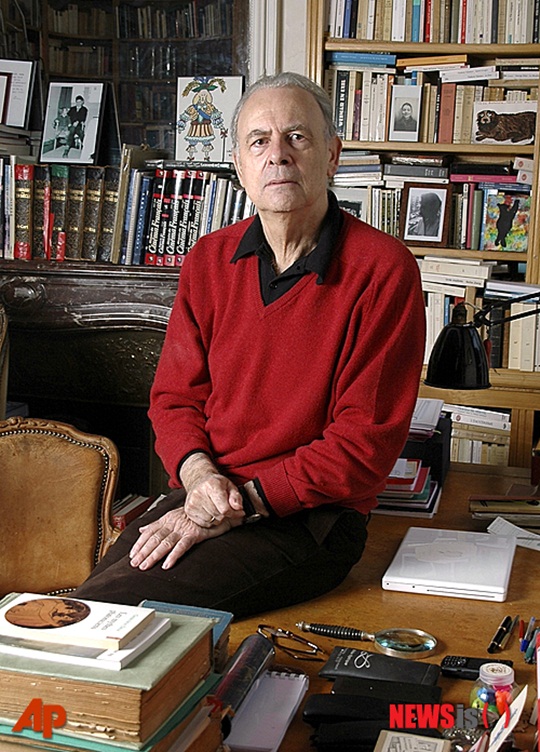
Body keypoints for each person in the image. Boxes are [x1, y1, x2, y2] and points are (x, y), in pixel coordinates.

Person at [74, 72, 426, 618]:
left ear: (332, 155)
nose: (277, 155)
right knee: (87, 602)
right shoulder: (209, 260)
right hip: (209, 490)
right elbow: (174, 400)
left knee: (106, 612)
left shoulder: (383, 270)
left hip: (311, 519)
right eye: (258, 141)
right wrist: (199, 478)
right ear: (239, 166)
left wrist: (239, 504)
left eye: (297, 137)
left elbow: (363, 446)